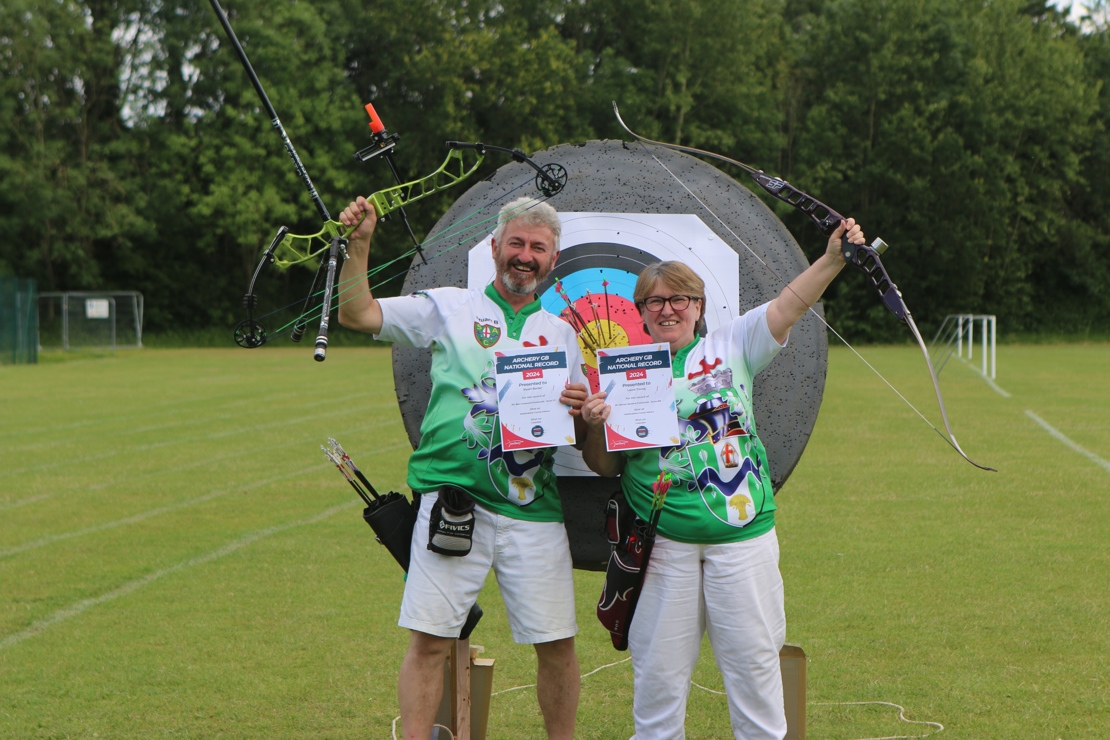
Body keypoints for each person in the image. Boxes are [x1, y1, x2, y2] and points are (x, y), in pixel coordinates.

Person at [580, 219, 866, 740]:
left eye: (680, 298)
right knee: (658, 687)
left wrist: (832, 259)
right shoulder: (621, 372)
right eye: (654, 301)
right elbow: (605, 467)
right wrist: (594, 426)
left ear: (699, 306)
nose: (668, 309)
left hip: (742, 541)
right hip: (662, 545)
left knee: (755, 678)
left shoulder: (733, 344)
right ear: (640, 312)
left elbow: (789, 304)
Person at [337, 195, 590, 740]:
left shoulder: (563, 335)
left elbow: (580, 429)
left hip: (533, 509)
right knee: (430, 642)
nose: (525, 256)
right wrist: (359, 246)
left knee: (557, 645)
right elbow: (358, 314)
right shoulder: (450, 306)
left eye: (538, 248)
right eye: (516, 243)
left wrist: (581, 410)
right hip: (454, 503)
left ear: (553, 259)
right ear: (495, 247)